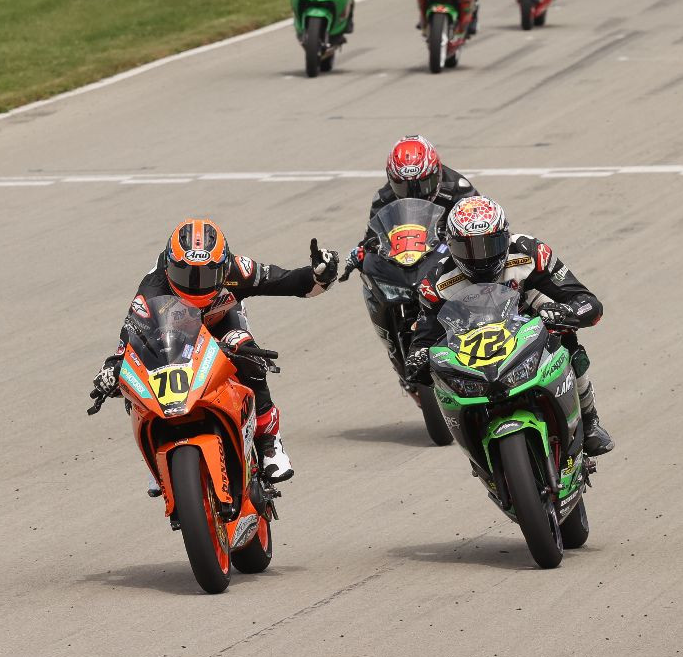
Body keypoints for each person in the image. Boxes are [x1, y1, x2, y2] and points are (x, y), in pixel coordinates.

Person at [91, 219, 339, 491]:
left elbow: (289, 282)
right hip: (174, 333)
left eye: (206, 276)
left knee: (248, 352)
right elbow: (128, 341)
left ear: (222, 269)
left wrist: (320, 276)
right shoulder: (152, 287)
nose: (196, 285)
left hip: (222, 324)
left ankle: (269, 441)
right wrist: (111, 370)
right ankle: (159, 457)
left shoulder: (238, 270)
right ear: (169, 267)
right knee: (138, 378)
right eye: (187, 275)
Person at [404, 196, 615, 456]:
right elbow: (424, 338)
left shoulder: (530, 252)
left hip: (529, 333)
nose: (480, 258)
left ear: (504, 236)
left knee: (570, 343)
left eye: (488, 244)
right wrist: (418, 357)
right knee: (440, 379)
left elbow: (585, 300)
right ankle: (475, 447)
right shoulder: (437, 282)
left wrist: (566, 312)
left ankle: (589, 420)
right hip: (474, 352)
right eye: (468, 249)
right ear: (450, 246)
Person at [346, 135, 479, 266]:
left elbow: (480, 222)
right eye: (403, 186)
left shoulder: (457, 188)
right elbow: (371, 237)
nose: (414, 193)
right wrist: (361, 251)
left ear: (437, 172)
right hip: (406, 263)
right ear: (391, 179)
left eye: (423, 184)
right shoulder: (384, 198)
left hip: (450, 256)